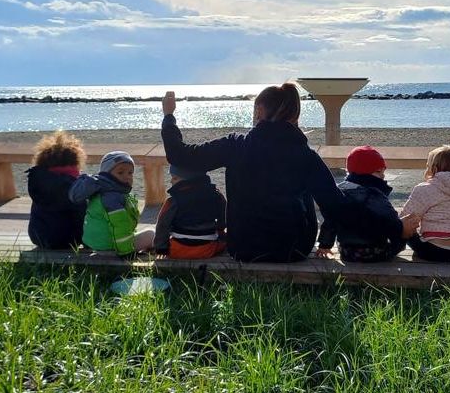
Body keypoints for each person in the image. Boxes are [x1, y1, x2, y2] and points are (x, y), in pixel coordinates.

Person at [161, 84, 379, 262]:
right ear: (294, 116)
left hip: (244, 248)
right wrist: (326, 241)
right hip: (294, 249)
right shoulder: (304, 154)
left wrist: (169, 116)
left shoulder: (236, 145)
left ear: (258, 111)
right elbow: (333, 204)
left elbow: (181, 156)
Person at [315, 146, 418, 262]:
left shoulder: (340, 191)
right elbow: (389, 219)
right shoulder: (373, 194)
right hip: (375, 252)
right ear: (368, 173)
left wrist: (325, 244)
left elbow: (331, 219)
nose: (383, 176)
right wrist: (402, 228)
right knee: (407, 225)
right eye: (379, 172)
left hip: (347, 252)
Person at [68, 150, 155, 255]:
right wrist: (126, 253)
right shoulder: (111, 197)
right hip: (112, 247)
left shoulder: (102, 191)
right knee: (151, 234)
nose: (127, 176)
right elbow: (120, 225)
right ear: (107, 174)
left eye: (130, 173)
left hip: (97, 245)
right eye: (120, 172)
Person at [26, 131, 87, 249]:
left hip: (38, 237)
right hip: (68, 239)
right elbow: (82, 216)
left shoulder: (39, 181)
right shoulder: (73, 185)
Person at [153, 164, 227, 259]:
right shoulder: (216, 195)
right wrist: (220, 232)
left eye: (175, 178)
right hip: (208, 249)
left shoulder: (174, 200)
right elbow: (224, 217)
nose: (171, 181)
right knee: (226, 240)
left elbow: (162, 225)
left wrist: (161, 248)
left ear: (188, 180)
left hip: (178, 249)